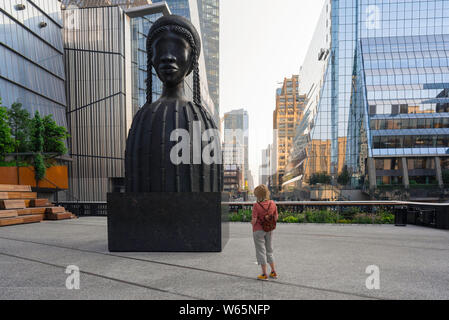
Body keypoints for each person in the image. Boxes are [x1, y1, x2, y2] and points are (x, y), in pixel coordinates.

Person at [251, 185, 279, 281]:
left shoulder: (256, 205)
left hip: (258, 230)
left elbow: (254, 220)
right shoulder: (272, 203)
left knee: (261, 251)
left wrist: (252, 223)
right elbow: (276, 218)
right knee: (269, 250)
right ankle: (273, 271)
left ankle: (264, 274)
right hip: (269, 230)